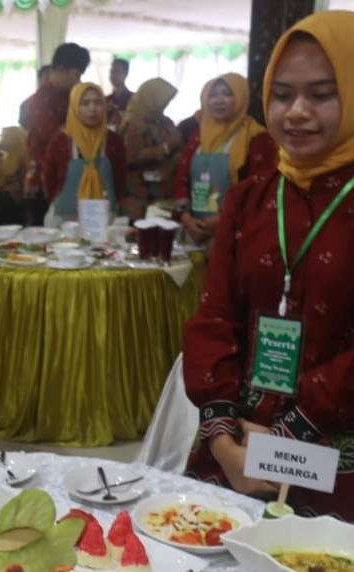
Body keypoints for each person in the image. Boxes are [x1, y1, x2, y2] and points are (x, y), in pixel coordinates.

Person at [183, 10, 354, 521]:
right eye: (282, 95)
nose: (296, 112)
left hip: (337, 454)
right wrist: (221, 436)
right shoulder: (250, 199)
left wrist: (287, 436)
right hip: (237, 443)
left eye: (321, 94)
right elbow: (214, 315)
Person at [173, 73, 276, 245]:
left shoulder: (256, 138)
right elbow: (181, 179)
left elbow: (262, 190)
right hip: (195, 231)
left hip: (238, 234)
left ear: (241, 97)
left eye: (227, 94)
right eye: (213, 95)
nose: (219, 100)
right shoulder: (198, 137)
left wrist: (224, 220)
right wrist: (185, 217)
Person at [24, 43, 92, 226]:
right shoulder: (41, 102)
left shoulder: (70, 97)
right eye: (76, 75)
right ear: (61, 70)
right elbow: (58, 139)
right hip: (44, 182)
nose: (78, 81)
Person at [43, 82, 126, 224]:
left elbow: (120, 179)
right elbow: (48, 179)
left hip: (105, 220)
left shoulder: (113, 141)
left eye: (98, 102)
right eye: (85, 103)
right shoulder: (60, 141)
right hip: (64, 221)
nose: (92, 108)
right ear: (75, 107)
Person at [119, 77, 182, 220]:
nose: (166, 104)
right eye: (163, 100)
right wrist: (166, 148)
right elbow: (133, 157)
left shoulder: (165, 121)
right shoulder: (133, 123)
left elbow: (179, 146)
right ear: (151, 98)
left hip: (164, 195)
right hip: (139, 197)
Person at [20, 65, 53, 129]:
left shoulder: (62, 103)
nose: (50, 82)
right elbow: (24, 131)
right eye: (47, 78)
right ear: (39, 80)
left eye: (52, 79)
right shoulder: (26, 104)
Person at [107, 58, 134, 131]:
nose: (113, 75)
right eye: (111, 72)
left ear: (126, 74)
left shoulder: (134, 99)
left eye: (117, 71)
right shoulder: (105, 100)